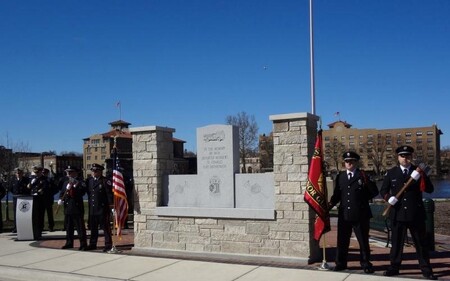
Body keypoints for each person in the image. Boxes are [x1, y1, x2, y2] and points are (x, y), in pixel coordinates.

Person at [380, 145, 437, 280]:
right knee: (396, 244)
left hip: (415, 213)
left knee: (421, 244)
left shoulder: (419, 171)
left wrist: (422, 176)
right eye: (402, 156)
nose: (405, 158)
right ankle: (394, 267)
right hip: (398, 213)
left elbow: (430, 189)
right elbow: (383, 190)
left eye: (407, 156)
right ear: (398, 157)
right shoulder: (391, 172)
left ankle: (426, 269)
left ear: (411, 157)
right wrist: (389, 198)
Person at [328, 151, 379, 274]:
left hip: (360, 214)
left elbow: (374, 192)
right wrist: (329, 205)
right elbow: (337, 195)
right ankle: (340, 263)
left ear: (356, 162)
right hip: (345, 213)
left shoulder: (363, 175)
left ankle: (366, 263)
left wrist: (361, 200)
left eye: (351, 161)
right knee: (342, 241)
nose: (349, 163)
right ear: (344, 163)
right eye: (346, 161)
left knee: (363, 241)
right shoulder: (340, 176)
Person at [57, 166, 87, 251]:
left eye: (70, 172)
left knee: (80, 228)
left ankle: (83, 244)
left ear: (75, 173)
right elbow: (62, 192)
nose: (68, 174)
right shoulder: (65, 182)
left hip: (76, 207)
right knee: (68, 227)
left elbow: (82, 192)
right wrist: (60, 199)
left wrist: (74, 185)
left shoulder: (80, 182)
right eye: (67, 172)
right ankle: (69, 243)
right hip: (67, 207)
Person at [85, 163, 113, 252]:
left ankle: (108, 244)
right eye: (93, 171)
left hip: (102, 209)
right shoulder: (89, 181)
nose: (94, 173)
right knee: (93, 228)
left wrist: (112, 206)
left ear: (100, 172)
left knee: (105, 228)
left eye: (96, 171)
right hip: (93, 209)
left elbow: (109, 194)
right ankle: (93, 244)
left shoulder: (105, 181)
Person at [29, 166, 48, 239]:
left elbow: (46, 187)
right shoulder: (33, 179)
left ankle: (39, 231)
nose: (36, 174)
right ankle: (34, 231)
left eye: (37, 172)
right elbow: (29, 188)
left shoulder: (44, 179)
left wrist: (42, 190)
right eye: (35, 172)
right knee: (34, 216)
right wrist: (30, 184)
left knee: (40, 216)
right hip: (33, 199)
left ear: (40, 172)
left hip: (40, 200)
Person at [10, 168, 30, 233]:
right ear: (15, 174)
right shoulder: (13, 180)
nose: (18, 174)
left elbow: (28, 189)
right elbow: (11, 189)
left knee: (24, 213)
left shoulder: (26, 180)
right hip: (16, 199)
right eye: (17, 173)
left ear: (22, 173)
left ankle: (25, 226)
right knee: (16, 214)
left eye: (20, 173)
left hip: (24, 199)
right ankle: (15, 227)